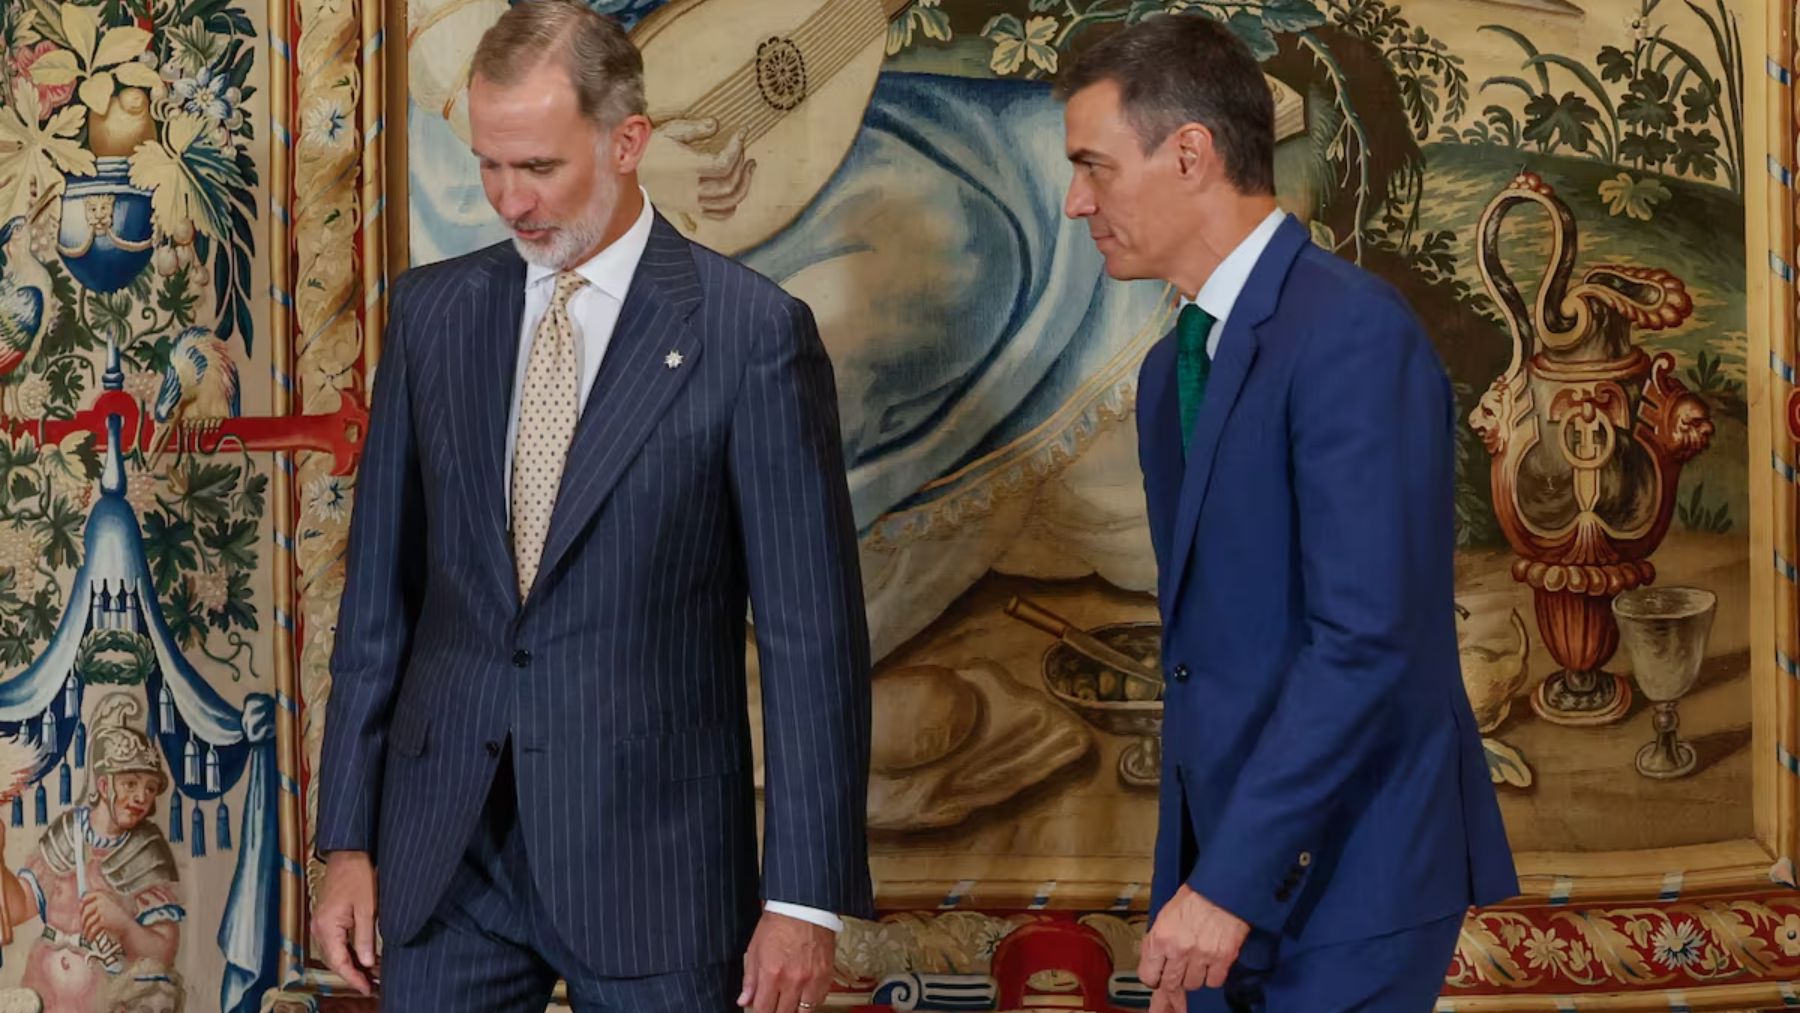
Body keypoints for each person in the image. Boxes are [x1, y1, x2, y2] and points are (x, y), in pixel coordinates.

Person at [308, 1, 874, 1010]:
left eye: (538, 168)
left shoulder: (752, 337)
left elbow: (811, 642)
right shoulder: (432, 318)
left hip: (655, 867)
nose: (509, 201)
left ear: (627, 142)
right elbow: (377, 610)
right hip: (445, 859)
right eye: (490, 164)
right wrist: (347, 837)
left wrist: (805, 899)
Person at [1055, 15, 1519, 1012]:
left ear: (1190, 153)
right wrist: (1191, 887)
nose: (1073, 200)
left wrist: (1224, 884)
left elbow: (1366, 642)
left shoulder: (1352, 334)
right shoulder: (1171, 364)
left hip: (1355, 879)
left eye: (1093, 165)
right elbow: (1206, 661)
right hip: (1235, 886)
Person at [0, 695, 183, 1013]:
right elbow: (19, 909)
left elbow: (164, 951)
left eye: (150, 787)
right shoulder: (66, 831)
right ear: (102, 783)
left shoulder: (148, 850)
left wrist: (124, 925)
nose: (141, 796)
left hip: (104, 996)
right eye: (130, 783)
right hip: (41, 985)